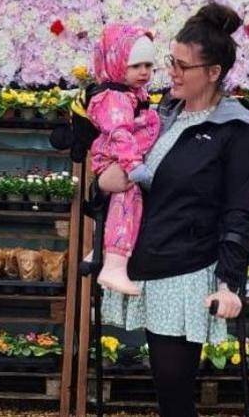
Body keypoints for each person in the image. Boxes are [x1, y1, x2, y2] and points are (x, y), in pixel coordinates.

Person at [99, 2, 249, 417]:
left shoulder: (237, 130)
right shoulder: (158, 117)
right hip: (149, 260)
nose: (170, 72)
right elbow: (126, 179)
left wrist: (229, 283)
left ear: (213, 72)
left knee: (174, 390)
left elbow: (238, 213)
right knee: (163, 387)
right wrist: (103, 176)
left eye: (182, 66)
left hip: (187, 271)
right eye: (171, 61)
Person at [86, 24, 162, 295]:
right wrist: (134, 166)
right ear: (118, 63)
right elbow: (120, 134)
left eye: (148, 65)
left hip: (122, 161)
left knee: (123, 208)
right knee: (128, 204)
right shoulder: (114, 97)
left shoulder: (130, 93)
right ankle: (114, 267)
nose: (144, 72)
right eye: (135, 65)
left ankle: (104, 251)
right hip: (119, 161)